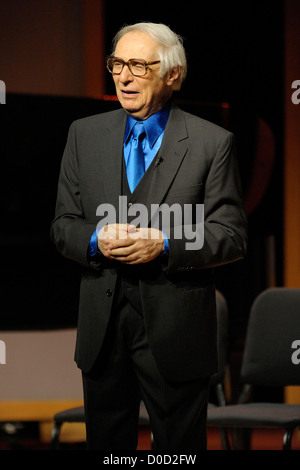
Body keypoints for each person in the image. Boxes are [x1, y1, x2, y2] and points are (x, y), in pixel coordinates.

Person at [51, 22, 247, 450]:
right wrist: (94, 240)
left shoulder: (213, 143)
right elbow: (62, 225)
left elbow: (229, 235)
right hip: (103, 331)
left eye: (138, 65)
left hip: (176, 331)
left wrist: (165, 245)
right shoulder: (84, 135)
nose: (123, 76)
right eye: (118, 63)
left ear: (172, 75)